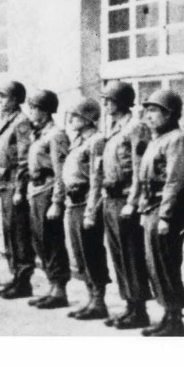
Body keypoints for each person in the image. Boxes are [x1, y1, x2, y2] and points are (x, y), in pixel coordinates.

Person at [86, 81, 153, 329]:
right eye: (105, 100)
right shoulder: (112, 129)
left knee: (131, 255)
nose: (105, 104)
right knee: (119, 256)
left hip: (126, 200)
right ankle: (129, 306)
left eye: (110, 100)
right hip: (111, 198)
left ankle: (139, 309)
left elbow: (139, 169)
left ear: (123, 102)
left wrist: (133, 202)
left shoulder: (136, 128)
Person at [136, 90, 184, 336]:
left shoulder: (177, 140)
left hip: (165, 211)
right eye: (147, 110)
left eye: (154, 111)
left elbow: (175, 180)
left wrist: (166, 216)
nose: (148, 116)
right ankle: (167, 315)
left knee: (166, 265)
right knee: (155, 266)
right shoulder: (156, 140)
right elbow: (144, 178)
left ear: (169, 114)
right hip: (152, 209)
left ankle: (175, 320)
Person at [59, 98, 111, 320]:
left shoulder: (97, 141)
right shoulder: (78, 141)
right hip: (73, 202)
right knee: (79, 255)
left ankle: (99, 301)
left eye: (76, 116)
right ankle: (90, 298)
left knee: (91, 253)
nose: (71, 120)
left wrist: (91, 210)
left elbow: (96, 177)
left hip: (87, 202)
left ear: (89, 118)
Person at [0, 81, 36, 300]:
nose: (0, 101)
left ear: (15, 100)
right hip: (4, 184)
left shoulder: (22, 123)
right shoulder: (4, 122)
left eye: (4, 97)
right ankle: (15, 278)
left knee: (19, 234)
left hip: (15, 183)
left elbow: (24, 159)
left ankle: (23, 281)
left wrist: (20, 189)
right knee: (9, 233)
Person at [23, 90, 72, 309]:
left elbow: (61, 171)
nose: (31, 112)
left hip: (48, 189)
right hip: (36, 190)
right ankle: (52, 286)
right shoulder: (39, 134)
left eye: (34, 108)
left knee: (52, 241)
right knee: (40, 241)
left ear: (45, 111)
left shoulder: (56, 135)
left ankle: (60, 290)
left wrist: (57, 201)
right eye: (31, 107)